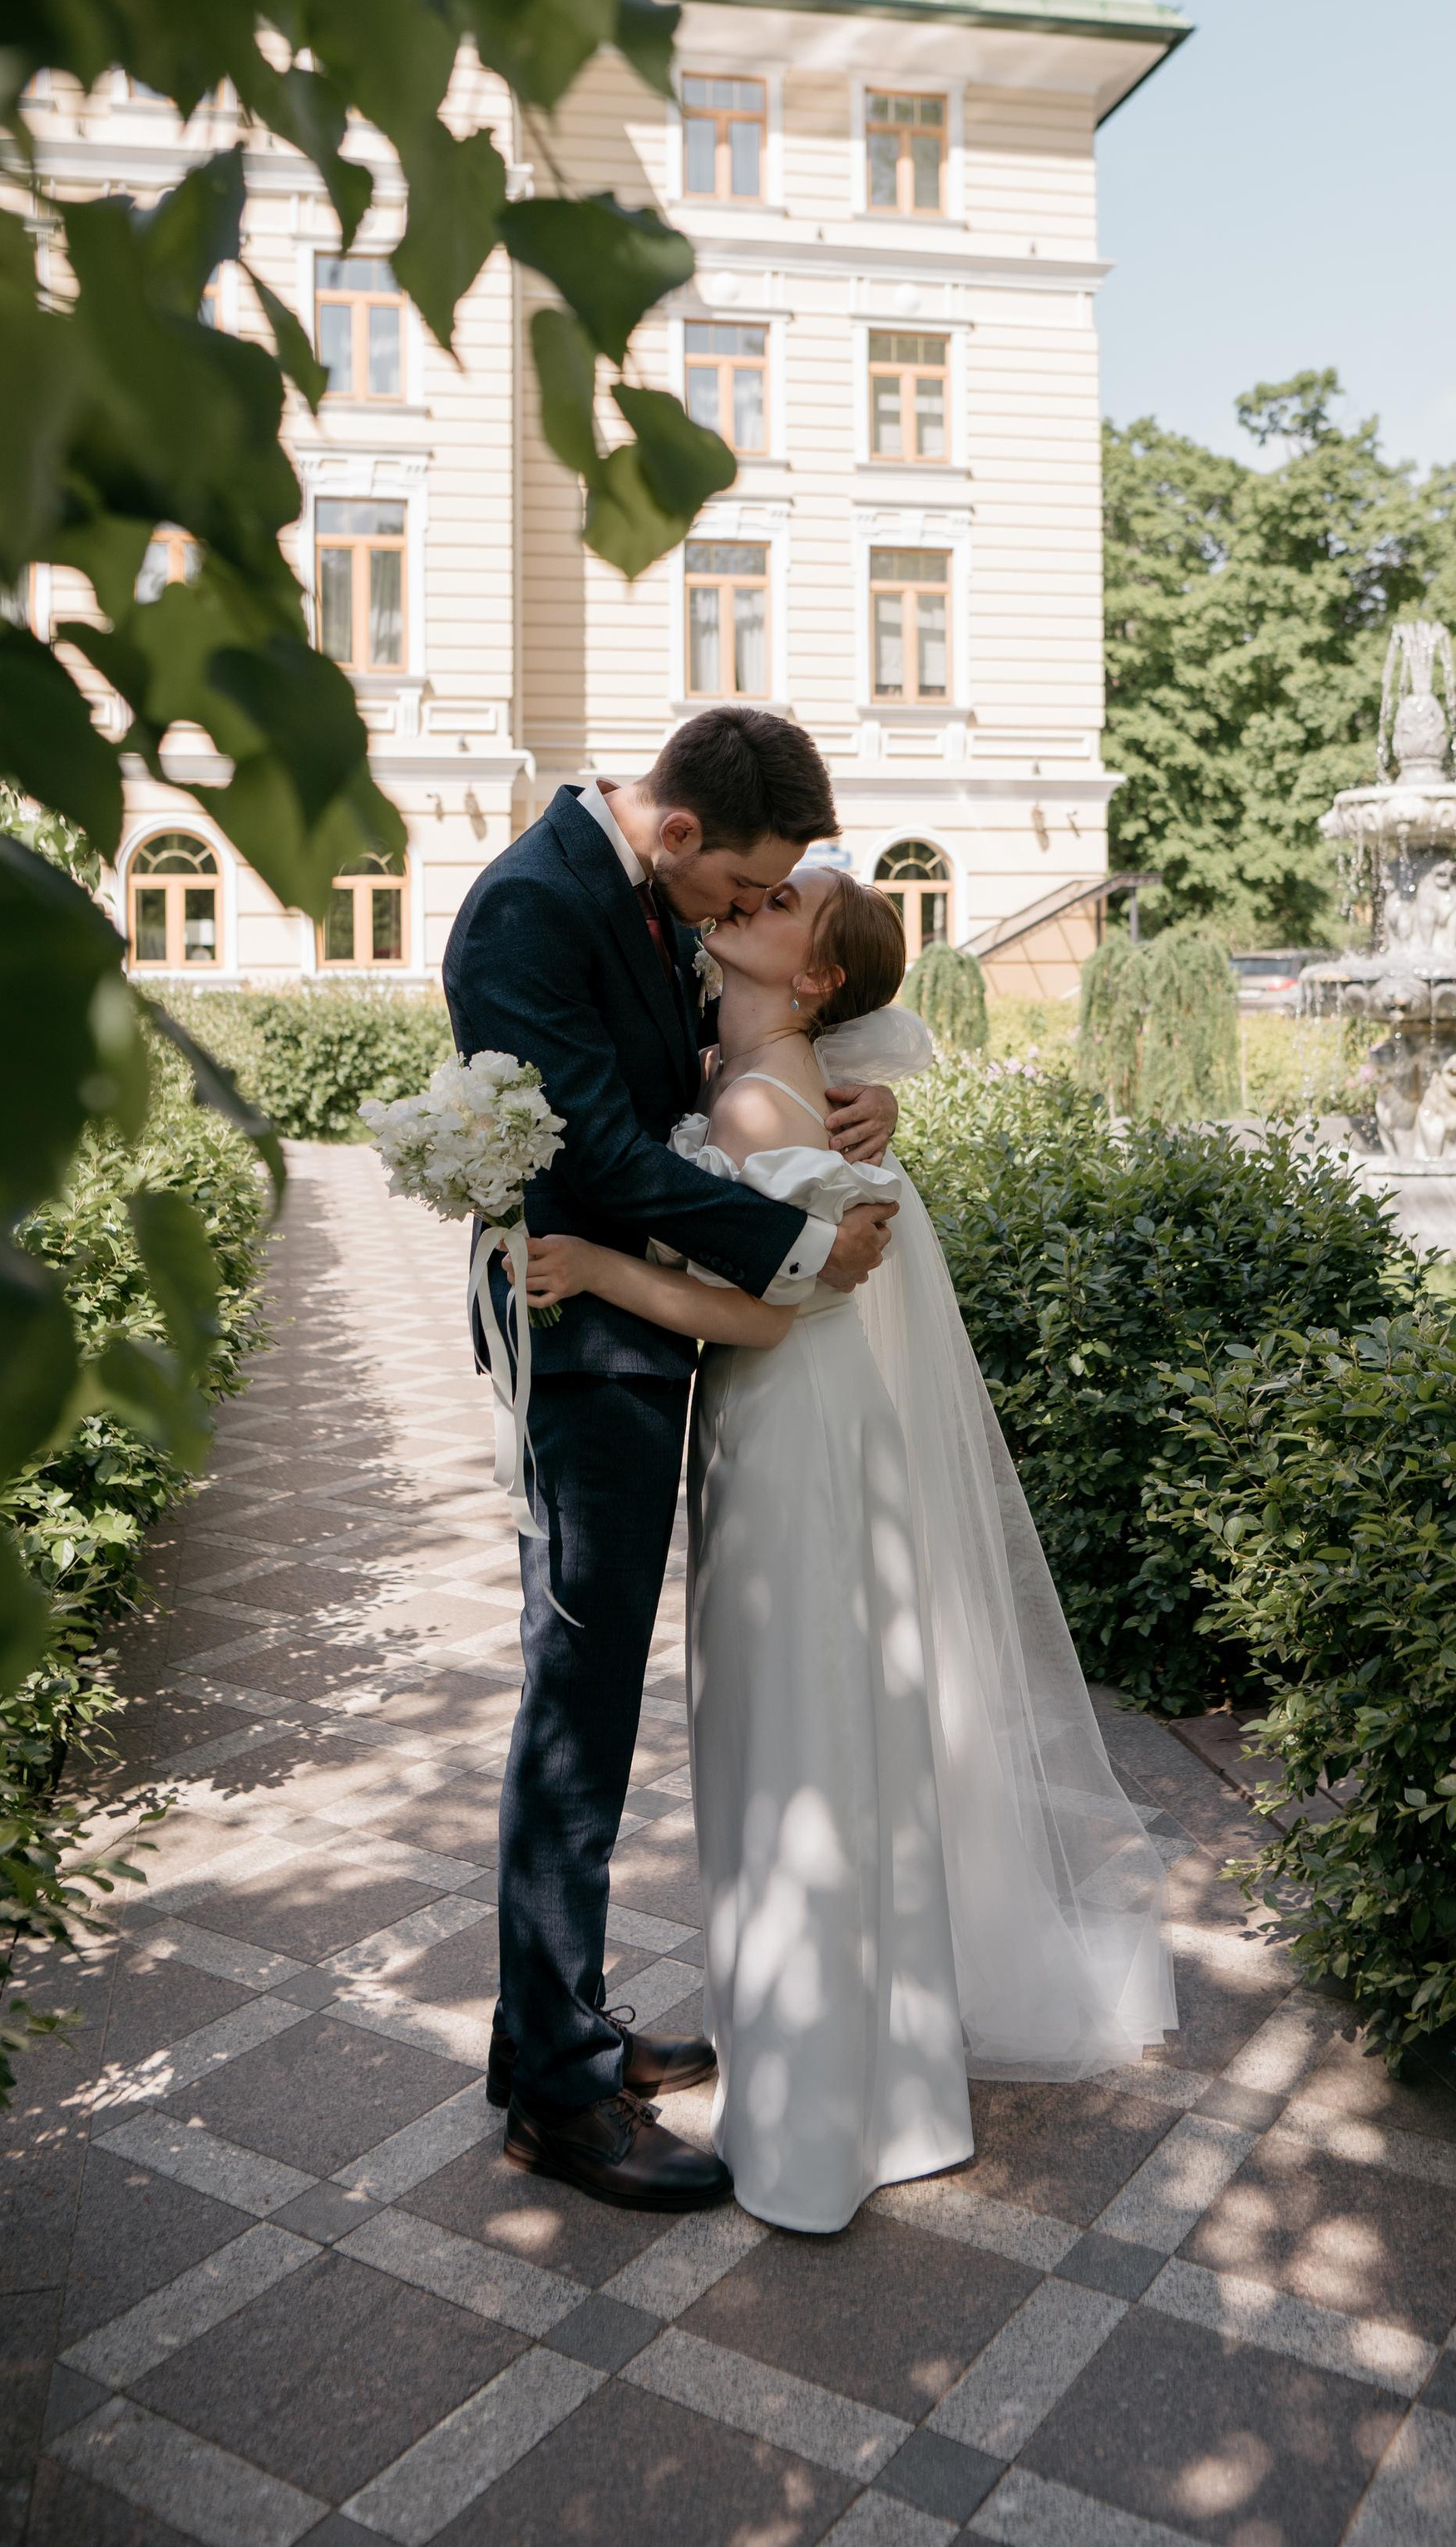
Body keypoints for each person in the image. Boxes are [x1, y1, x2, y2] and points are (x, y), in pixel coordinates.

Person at [526, 864, 1177, 2234]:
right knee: (826, 1735)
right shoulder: (769, 1074)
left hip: (791, 1433)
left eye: (776, 907)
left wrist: (592, 1273)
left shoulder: (766, 1098)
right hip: (804, 1434)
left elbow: (759, 1313)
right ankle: (884, 2084)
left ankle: (819, 2118)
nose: (746, 904)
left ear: (815, 976)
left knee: (799, 1743)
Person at [439, 709, 901, 2214]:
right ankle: (558, 2104)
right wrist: (805, 1241)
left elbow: (698, 1076)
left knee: (600, 1693)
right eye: (740, 887)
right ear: (683, 834)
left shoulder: (637, 892)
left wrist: (847, 1109)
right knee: (574, 1703)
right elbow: (605, 1157)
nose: (736, 918)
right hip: (583, 1345)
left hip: (644, 1332)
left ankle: (554, 2031)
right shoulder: (528, 906)